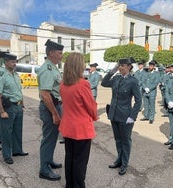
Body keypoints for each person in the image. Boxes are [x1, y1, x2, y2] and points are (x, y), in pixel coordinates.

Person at [59, 52, 98, 188]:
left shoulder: (63, 83)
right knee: (80, 161)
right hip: (81, 128)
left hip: (68, 126)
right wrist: (95, 116)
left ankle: (69, 184)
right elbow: (91, 106)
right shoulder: (83, 84)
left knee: (69, 157)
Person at [101, 57, 141, 175]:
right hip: (114, 114)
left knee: (125, 141)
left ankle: (124, 163)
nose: (120, 67)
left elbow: (139, 101)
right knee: (118, 140)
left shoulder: (133, 81)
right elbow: (103, 83)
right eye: (119, 65)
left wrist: (132, 116)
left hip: (125, 116)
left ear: (128, 67)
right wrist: (111, 71)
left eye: (122, 65)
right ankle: (119, 160)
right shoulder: (116, 78)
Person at [0, 53, 28, 165]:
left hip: (18, 106)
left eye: (15, 61)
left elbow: (19, 91)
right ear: (6, 62)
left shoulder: (15, 74)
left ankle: (17, 150)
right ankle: (7, 155)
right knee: (7, 132)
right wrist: (2, 111)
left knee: (18, 130)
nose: (15, 64)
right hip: (8, 107)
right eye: (12, 62)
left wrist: (22, 104)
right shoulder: (2, 75)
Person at [37, 39, 63, 181]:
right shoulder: (47, 69)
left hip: (54, 106)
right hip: (50, 108)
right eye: (60, 53)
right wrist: (54, 114)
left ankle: (49, 160)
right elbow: (45, 94)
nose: (62, 55)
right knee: (48, 138)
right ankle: (44, 170)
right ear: (51, 53)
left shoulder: (53, 67)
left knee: (52, 138)